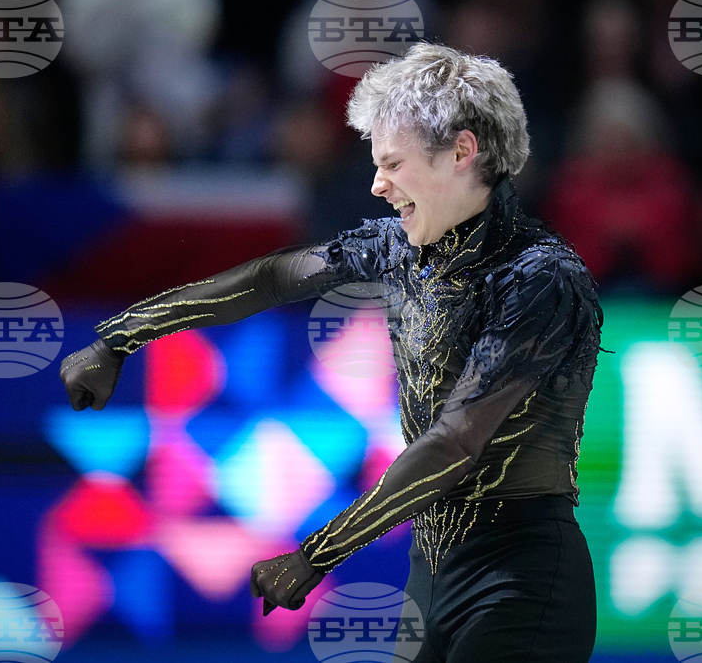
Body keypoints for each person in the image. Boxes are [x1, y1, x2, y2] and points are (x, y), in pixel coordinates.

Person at [60, 43, 603, 662]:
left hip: (522, 578)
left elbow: (454, 444)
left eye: (393, 163)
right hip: (431, 580)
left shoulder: (540, 280)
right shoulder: (396, 247)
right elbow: (272, 279)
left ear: (461, 152)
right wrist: (122, 335)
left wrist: (318, 552)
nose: (376, 184)